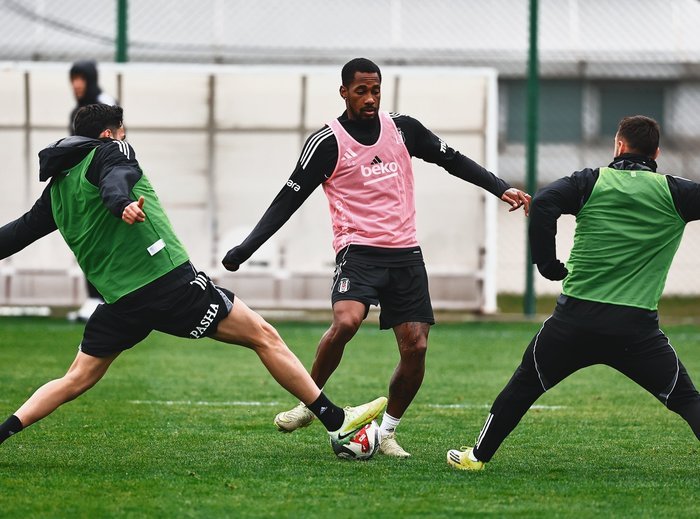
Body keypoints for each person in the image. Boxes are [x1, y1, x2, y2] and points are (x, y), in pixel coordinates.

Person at [0, 104, 387, 453]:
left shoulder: (58, 191)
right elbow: (116, 179)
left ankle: (2, 433)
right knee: (263, 336)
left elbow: (16, 234)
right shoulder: (110, 150)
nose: (124, 139)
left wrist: (118, 202)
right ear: (108, 134)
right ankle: (337, 421)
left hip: (121, 303)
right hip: (168, 284)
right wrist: (121, 205)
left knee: (75, 379)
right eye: (122, 132)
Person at [221, 58, 531, 458]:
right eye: (361, 91)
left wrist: (501, 188)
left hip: (405, 253)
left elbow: (452, 159)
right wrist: (246, 248)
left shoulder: (403, 129)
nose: (370, 99)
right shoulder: (327, 142)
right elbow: (287, 200)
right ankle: (310, 403)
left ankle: (386, 433)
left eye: (376, 90)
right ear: (344, 92)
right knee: (347, 321)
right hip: (358, 251)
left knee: (416, 347)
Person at [447, 115, 700, 471]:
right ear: (656, 153)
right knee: (686, 399)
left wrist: (547, 264)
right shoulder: (677, 193)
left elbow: (543, 201)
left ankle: (476, 457)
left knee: (523, 386)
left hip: (574, 322)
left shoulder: (590, 181)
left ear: (618, 145)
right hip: (636, 330)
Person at [68, 60, 118, 322]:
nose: (76, 84)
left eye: (81, 78)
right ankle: (93, 298)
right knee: (87, 240)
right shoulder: (76, 112)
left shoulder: (104, 103)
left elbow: (116, 143)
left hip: (105, 185)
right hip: (84, 185)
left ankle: (104, 298)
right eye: (73, 79)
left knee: (104, 241)